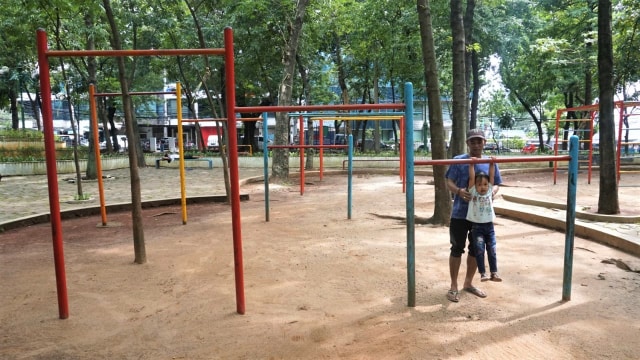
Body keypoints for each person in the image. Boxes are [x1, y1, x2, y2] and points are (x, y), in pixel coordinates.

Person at [445, 129, 502, 302]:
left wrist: (492, 193)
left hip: (480, 217)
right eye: (473, 141)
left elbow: (496, 183)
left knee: (477, 249)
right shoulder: (458, 161)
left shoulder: (490, 162)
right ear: (468, 143)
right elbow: (449, 181)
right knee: (456, 248)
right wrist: (459, 191)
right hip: (460, 214)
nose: (476, 144)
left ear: (484, 142)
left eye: (479, 141)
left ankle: (468, 283)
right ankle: (453, 286)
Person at [467, 156, 502, 283]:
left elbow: (492, 177)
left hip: (489, 227)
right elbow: (472, 177)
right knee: (480, 250)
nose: (483, 187)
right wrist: (472, 164)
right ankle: (483, 273)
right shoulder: (473, 192)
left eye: (485, 184)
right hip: (477, 227)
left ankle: (494, 272)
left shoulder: (489, 192)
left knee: (492, 249)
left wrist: (492, 163)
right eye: (479, 184)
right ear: (475, 185)